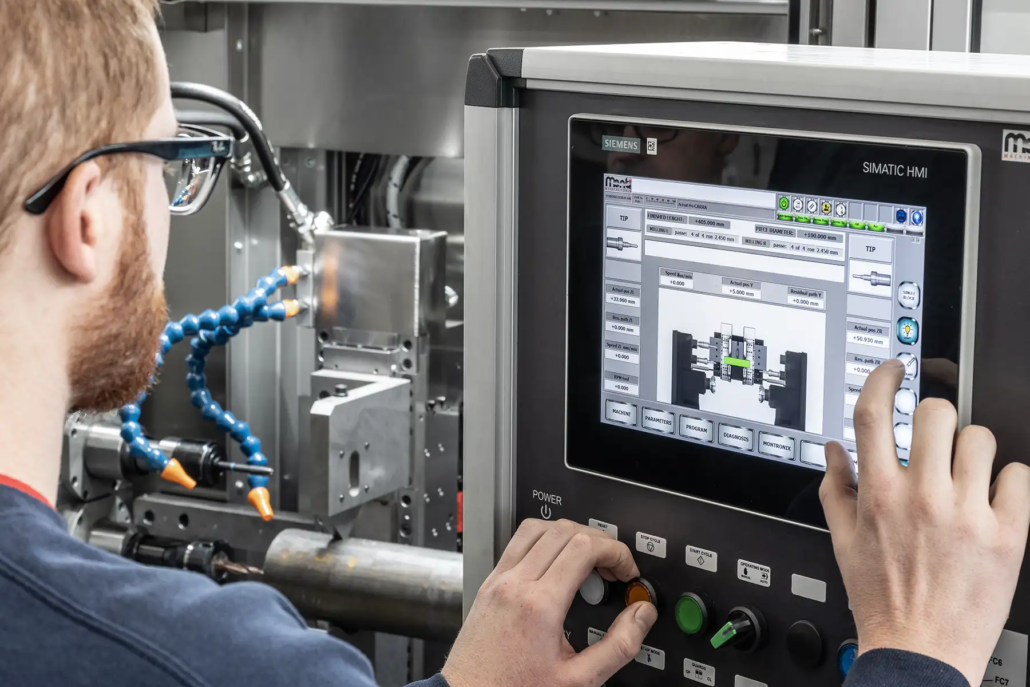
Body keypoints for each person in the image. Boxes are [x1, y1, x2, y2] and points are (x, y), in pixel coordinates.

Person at [0, 3, 1027, 687]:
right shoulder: (214, 666)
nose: (175, 203)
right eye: (174, 166)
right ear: (89, 214)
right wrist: (919, 652)